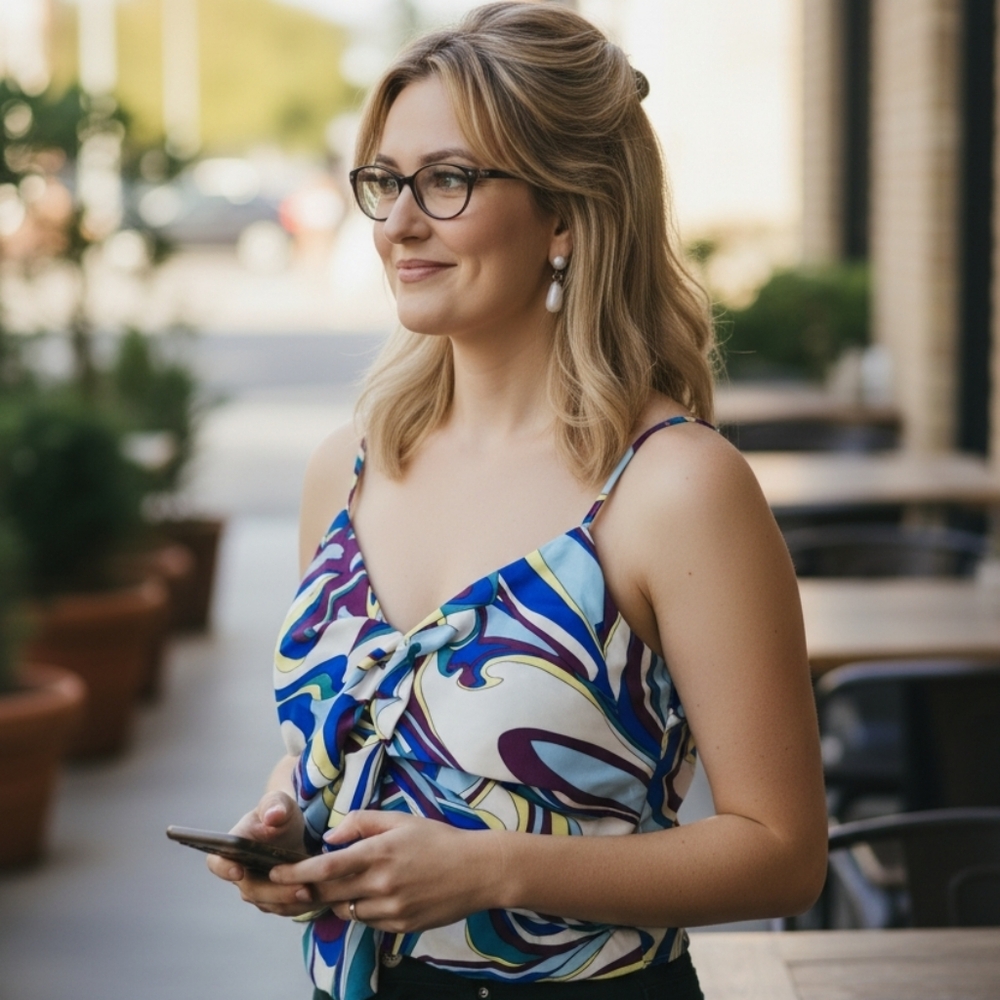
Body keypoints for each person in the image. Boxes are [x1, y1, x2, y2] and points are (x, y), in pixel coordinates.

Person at [207, 4, 828, 998]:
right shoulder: (347, 469)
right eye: (385, 181)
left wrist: (496, 868)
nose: (398, 223)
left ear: (566, 214)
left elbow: (782, 852)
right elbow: (337, 750)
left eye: (447, 179)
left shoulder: (674, 486)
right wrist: (287, 823)